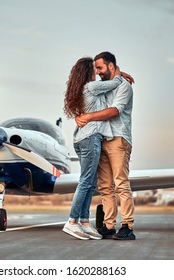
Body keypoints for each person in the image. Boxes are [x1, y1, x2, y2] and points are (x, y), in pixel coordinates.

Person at [76, 51, 136, 240]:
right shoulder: (104, 85)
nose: (98, 72)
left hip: (118, 138)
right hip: (101, 138)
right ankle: (109, 225)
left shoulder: (124, 87)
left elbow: (114, 111)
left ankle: (127, 225)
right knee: (105, 187)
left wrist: (88, 117)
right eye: (96, 69)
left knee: (121, 183)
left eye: (100, 68)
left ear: (111, 66)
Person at [62, 57, 123, 240]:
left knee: (90, 182)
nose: (96, 72)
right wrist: (120, 72)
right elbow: (116, 82)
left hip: (82, 138)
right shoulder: (91, 87)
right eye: (93, 69)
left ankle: (84, 222)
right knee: (86, 181)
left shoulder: (80, 89)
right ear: (88, 71)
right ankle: (72, 222)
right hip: (90, 138)